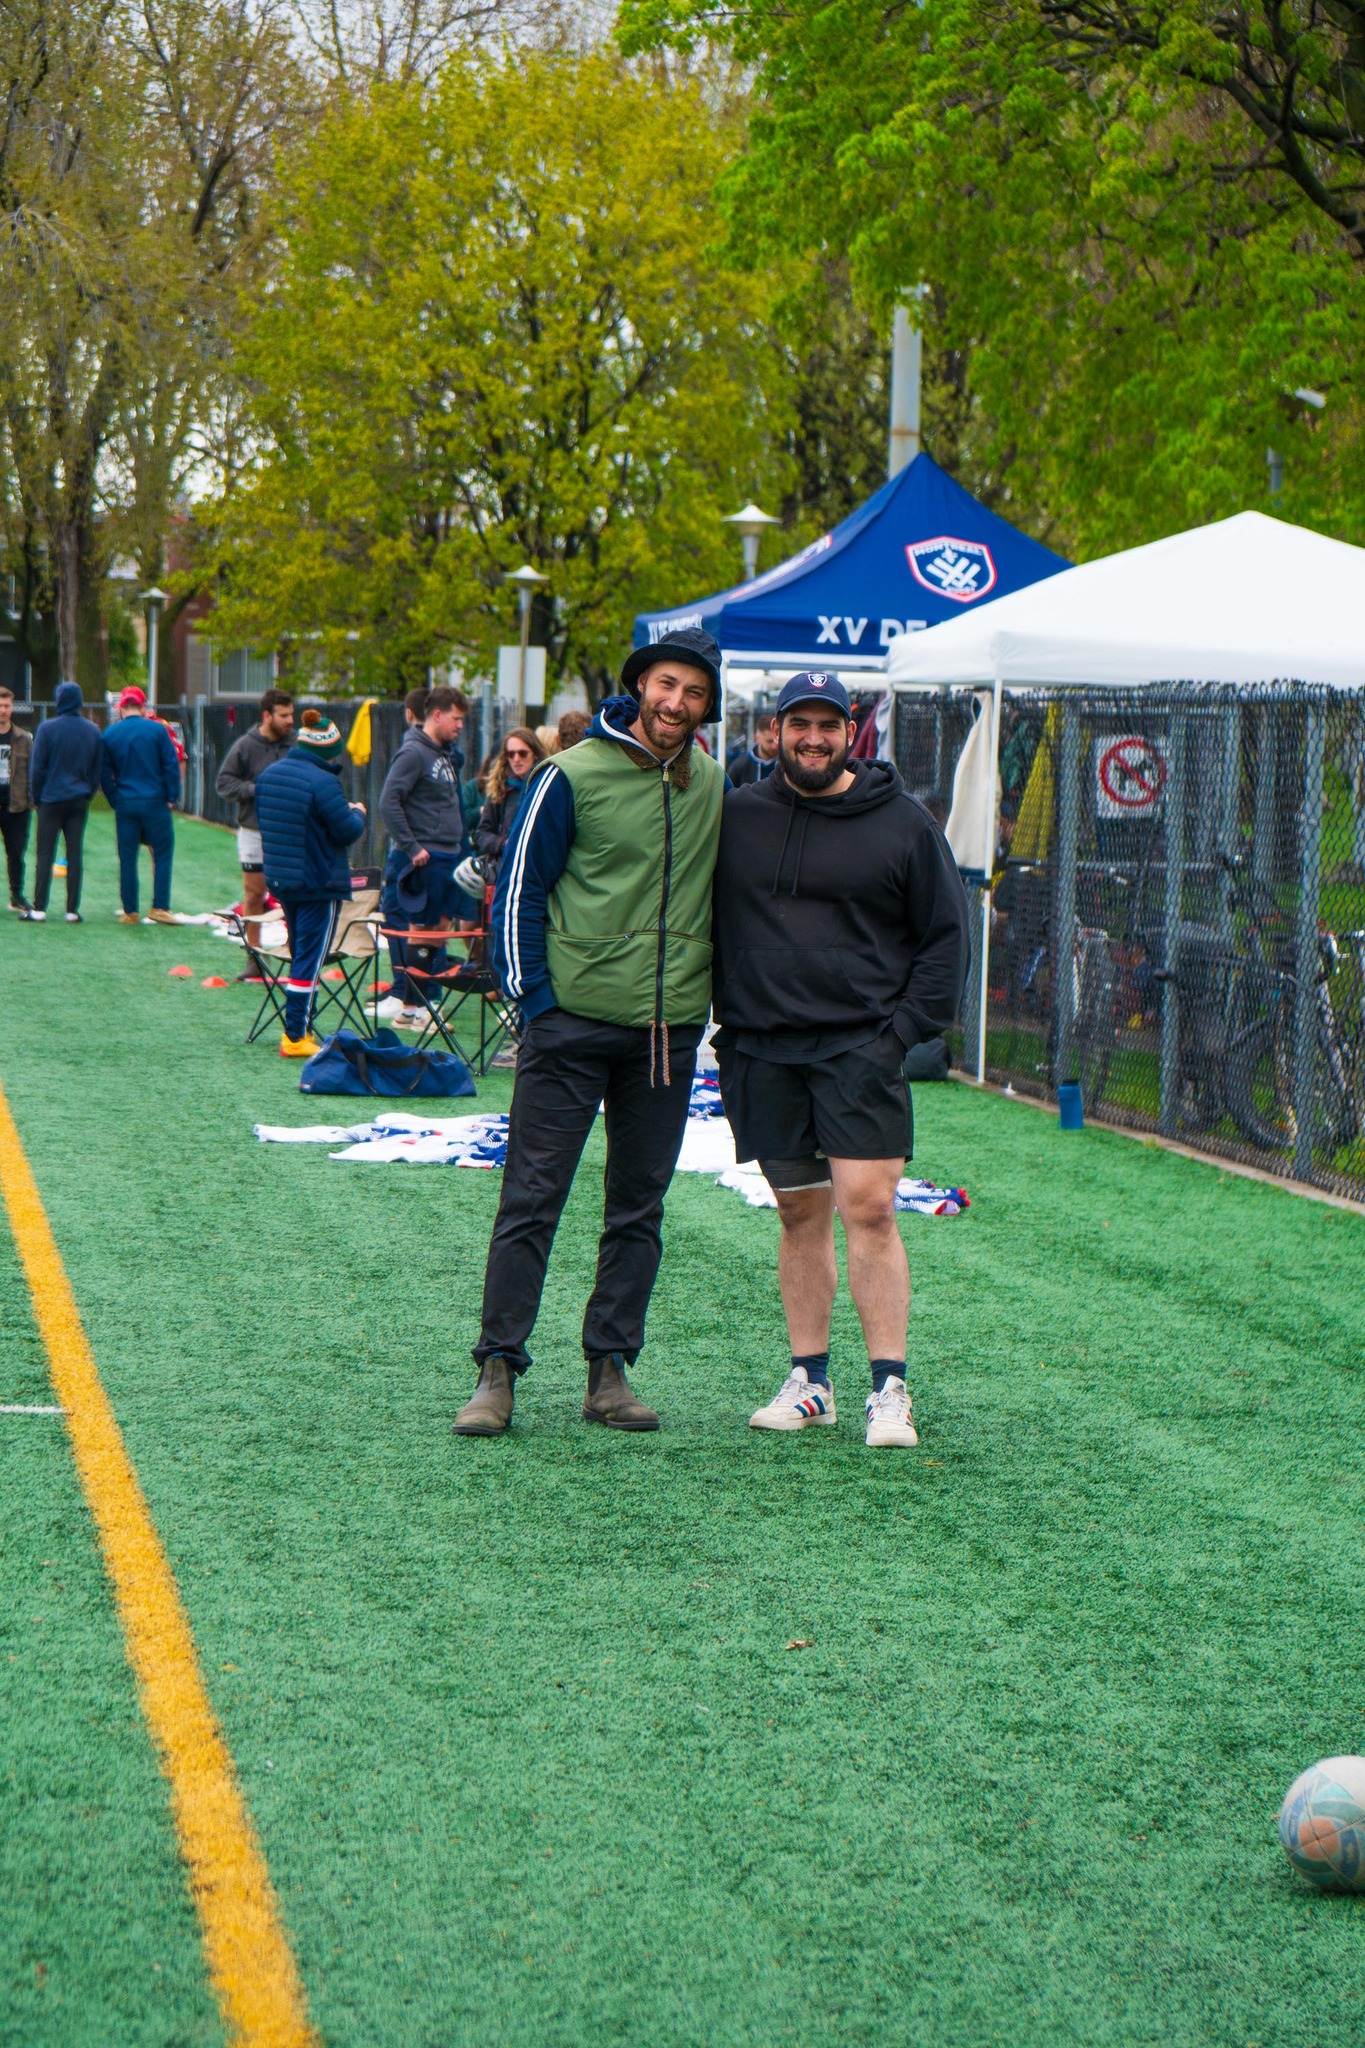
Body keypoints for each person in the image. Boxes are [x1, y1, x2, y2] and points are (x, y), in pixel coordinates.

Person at [452, 625, 725, 1438]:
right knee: (531, 1200)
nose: (676, 702)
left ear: (707, 705)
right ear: (640, 686)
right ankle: (496, 1368)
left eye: (694, 691)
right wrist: (534, 1003)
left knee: (638, 1207)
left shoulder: (712, 784)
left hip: (666, 1035)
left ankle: (609, 1370)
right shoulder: (569, 775)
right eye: (665, 684)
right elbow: (518, 893)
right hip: (567, 1027)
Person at [711, 672, 970, 1450]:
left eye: (828, 725)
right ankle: (809, 1382)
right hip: (763, 1046)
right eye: (799, 725)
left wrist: (897, 1038)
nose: (813, 739)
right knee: (798, 1213)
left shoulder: (902, 823)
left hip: (861, 1046)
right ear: (776, 730)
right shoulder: (736, 816)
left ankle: (889, 1388)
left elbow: (944, 939)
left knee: (868, 1206)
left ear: (849, 731)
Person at [255, 710, 367, 1056]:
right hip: (318, 880)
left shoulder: (270, 775)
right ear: (327, 751)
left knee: (299, 949)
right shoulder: (323, 781)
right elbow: (346, 830)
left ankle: (301, 1024)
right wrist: (358, 812)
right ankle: (294, 1034)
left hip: (282, 879)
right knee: (309, 957)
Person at [375, 683, 468, 1029]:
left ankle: (414, 1007)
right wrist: (413, 848)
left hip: (447, 854)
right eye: (456, 719)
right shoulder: (414, 753)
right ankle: (419, 1005)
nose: (460, 726)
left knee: (438, 930)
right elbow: (388, 801)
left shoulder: (442, 751)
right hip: (427, 858)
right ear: (437, 715)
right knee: (421, 931)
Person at [215, 687, 295, 948]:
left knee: (293, 894)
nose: (290, 721)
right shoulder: (246, 745)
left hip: (289, 832)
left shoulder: (297, 744)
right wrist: (255, 790)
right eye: (283, 715)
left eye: (291, 714)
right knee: (254, 894)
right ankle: (254, 955)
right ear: (267, 715)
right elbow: (224, 783)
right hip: (253, 830)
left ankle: (296, 952)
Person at [100, 685, 182, 924]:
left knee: (127, 857)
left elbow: (104, 773)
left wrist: (115, 798)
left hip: (126, 801)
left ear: (121, 708)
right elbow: (170, 765)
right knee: (163, 853)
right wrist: (171, 796)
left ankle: (130, 911)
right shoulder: (158, 731)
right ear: (144, 707)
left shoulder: (110, 734)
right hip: (155, 800)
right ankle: (160, 906)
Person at [23, 682, 102, 923]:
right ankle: (72, 910)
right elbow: (97, 768)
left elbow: (37, 767)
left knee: (45, 853)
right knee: (74, 854)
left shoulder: (47, 729)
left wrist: (36, 797)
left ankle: (39, 908)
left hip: (50, 799)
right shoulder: (92, 730)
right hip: (78, 799)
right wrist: (88, 793)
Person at [473, 727, 545, 881]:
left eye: (522, 753)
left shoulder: (545, 786)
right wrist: (504, 844)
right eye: (510, 754)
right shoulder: (499, 788)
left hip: (538, 870)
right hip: (505, 871)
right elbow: (481, 834)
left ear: (535, 754)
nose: (516, 759)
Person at [0, 683, 34, 912]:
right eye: (0, 705)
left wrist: (30, 802)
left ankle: (17, 896)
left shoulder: (24, 738)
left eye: (7, 705)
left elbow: (33, 772)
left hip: (16, 804)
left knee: (16, 853)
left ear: (13, 708)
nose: (3, 710)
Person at [730, 718, 779, 786]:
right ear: (757, 738)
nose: (775, 746)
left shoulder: (786, 765)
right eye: (769, 741)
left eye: (777, 740)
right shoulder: (740, 766)